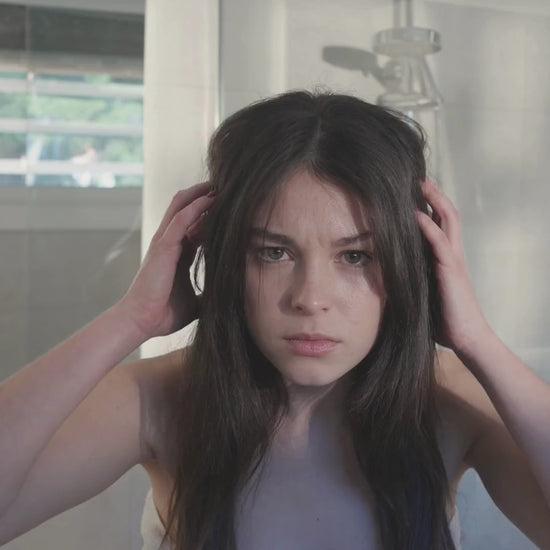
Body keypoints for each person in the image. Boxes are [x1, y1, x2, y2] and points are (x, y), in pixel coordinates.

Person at [0, 90, 549, 550]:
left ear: (415, 263)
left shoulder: (450, 401)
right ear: (224, 258)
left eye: (355, 256)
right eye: (273, 252)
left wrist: (476, 341)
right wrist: (132, 318)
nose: (310, 299)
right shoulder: (162, 399)